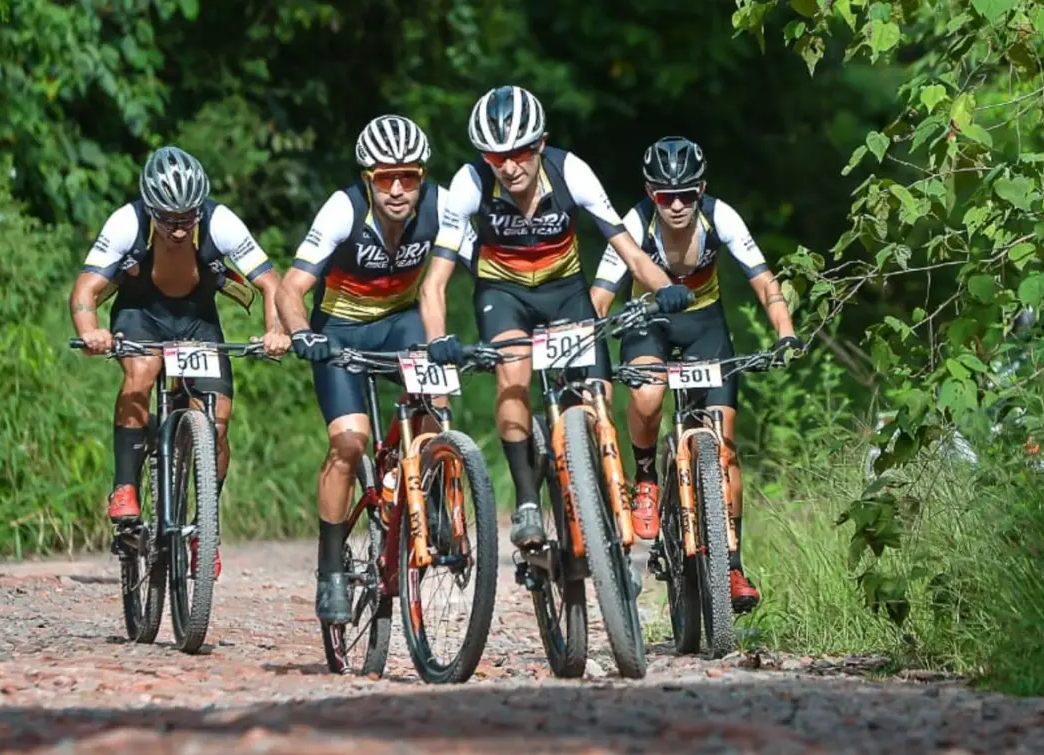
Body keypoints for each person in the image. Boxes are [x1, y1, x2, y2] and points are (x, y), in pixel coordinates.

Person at [419, 85, 694, 552]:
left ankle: (601, 488)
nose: (509, 166)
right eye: (495, 156)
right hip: (504, 294)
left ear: (540, 144)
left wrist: (666, 288)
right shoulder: (470, 183)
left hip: (566, 294)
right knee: (513, 374)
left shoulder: (572, 172)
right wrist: (437, 338)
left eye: (521, 152)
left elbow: (629, 251)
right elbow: (434, 283)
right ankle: (527, 500)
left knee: (597, 400)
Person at [589, 136, 804, 613]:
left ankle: (731, 563)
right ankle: (645, 475)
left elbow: (763, 280)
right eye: (667, 196)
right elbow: (601, 294)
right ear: (650, 193)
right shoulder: (634, 224)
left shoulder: (720, 216)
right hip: (649, 324)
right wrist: (587, 340)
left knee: (725, 446)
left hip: (706, 323)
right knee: (647, 396)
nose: (679, 204)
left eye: (688, 193)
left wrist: (786, 333)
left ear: (701, 189)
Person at [276, 114, 475, 623]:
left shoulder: (443, 205)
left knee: (436, 398)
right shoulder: (344, 209)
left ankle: (432, 501)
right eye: (385, 177)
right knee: (349, 442)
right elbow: (291, 288)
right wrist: (303, 334)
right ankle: (330, 571)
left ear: (422, 177)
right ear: (369, 179)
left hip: (401, 324)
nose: (397, 189)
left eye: (407, 176)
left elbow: (481, 267)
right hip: (338, 330)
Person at [69, 145, 290, 580]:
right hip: (140, 315)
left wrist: (276, 330)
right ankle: (126, 487)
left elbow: (269, 283)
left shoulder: (220, 221)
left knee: (217, 419)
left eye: (187, 218)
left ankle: (204, 526)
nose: (177, 228)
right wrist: (89, 331)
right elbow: (85, 292)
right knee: (142, 371)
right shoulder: (126, 222)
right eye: (168, 219)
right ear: (151, 209)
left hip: (196, 321)